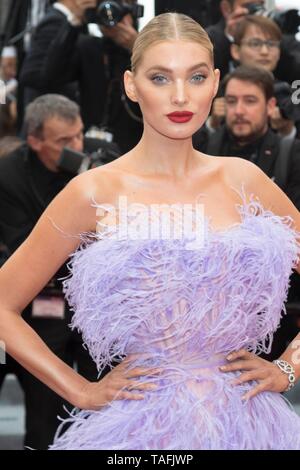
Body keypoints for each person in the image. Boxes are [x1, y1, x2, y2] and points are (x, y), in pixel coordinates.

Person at [0, 13, 300, 450]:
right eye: (160, 78)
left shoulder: (244, 180)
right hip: (140, 430)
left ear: (215, 83)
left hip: (249, 423)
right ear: (131, 84)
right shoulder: (93, 191)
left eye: (196, 77)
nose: (181, 96)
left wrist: (288, 367)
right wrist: (80, 390)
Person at [0, 93, 120, 449]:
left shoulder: (106, 160)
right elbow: (26, 245)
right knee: (46, 406)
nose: (76, 146)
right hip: (42, 300)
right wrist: (78, 207)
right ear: (34, 141)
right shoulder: (10, 174)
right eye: (63, 141)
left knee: (110, 395)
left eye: (80, 135)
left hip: (97, 304)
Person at [20, 0, 143, 152]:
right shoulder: (88, 47)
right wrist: (74, 23)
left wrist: (136, 47)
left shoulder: (143, 52)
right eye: (105, 8)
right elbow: (50, 77)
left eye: (119, 9)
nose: (111, 15)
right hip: (90, 145)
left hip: (134, 144)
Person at [207, 0, 300, 83]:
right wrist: (229, 37)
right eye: (249, 6)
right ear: (226, 9)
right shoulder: (209, 37)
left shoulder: (282, 38)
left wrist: (276, 35)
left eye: (261, 5)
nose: (264, 51)